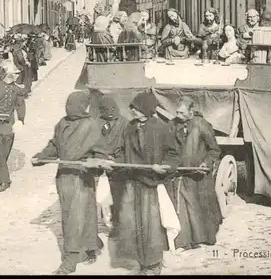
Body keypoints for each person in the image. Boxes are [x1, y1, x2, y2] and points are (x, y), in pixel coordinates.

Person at [32, 91, 108, 274]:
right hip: (64, 176)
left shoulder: (91, 125)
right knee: (78, 214)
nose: (69, 108)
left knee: (75, 217)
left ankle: (70, 260)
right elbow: (54, 145)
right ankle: (91, 246)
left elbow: (101, 151)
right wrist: (41, 157)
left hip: (82, 177)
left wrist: (96, 161)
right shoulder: (62, 123)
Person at [113, 91, 180, 275]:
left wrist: (164, 167)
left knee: (152, 226)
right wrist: (115, 162)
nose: (132, 110)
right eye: (132, 107)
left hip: (151, 184)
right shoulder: (129, 127)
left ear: (146, 108)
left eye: (136, 107)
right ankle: (143, 264)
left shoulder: (161, 128)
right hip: (132, 182)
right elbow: (120, 151)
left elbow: (173, 155)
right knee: (134, 226)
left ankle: (154, 264)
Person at [165, 96, 222, 253]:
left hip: (199, 176)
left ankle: (204, 236)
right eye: (177, 112)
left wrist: (207, 163)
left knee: (201, 207)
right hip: (180, 174)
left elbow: (214, 150)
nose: (179, 115)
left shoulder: (202, 125)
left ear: (191, 111)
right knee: (183, 207)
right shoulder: (172, 125)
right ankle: (185, 241)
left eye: (182, 113)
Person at [0, 61, 27, 192]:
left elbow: (20, 105)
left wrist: (20, 120)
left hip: (9, 125)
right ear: (4, 74)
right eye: (10, 74)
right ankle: (5, 181)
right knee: (0, 155)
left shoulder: (17, 89)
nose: (12, 77)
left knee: (5, 154)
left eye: (13, 75)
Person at [89, 95, 129, 231]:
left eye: (113, 109)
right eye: (106, 110)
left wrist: (117, 160)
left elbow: (128, 147)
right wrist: (101, 158)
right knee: (105, 197)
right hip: (103, 166)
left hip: (119, 166)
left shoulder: (125, 124)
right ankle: (109, 222)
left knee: (119, 196)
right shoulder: (96, 124)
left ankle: (120, 224)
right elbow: (94, 144)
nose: (110, 112)